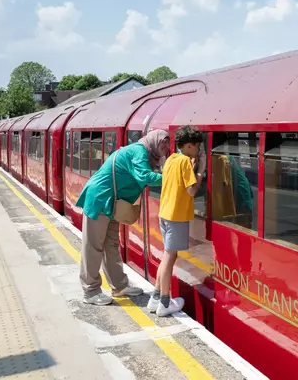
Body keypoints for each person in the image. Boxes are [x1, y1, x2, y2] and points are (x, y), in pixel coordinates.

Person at [74, 129, 169, 306]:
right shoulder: (140, 151)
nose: (166, 147)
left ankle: (119, 286)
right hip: (101, 199)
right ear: (154, 141)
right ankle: (90, 291)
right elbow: (145, 176)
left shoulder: (144, 153)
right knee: (93, 245)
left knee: (110, 244)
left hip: (112, 203)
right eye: (163, 142)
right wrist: (172, 177)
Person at [147, 126, 205, 316]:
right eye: (198, 146)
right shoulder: (186, 162)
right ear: (189, 146)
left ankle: (155, 298)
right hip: (176, 217)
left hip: (165, 213)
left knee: (166, 255)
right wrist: (201, 171)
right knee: (169, 258)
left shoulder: (171, 159)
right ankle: (164, 302)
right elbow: (192, 191)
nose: (199, 150)